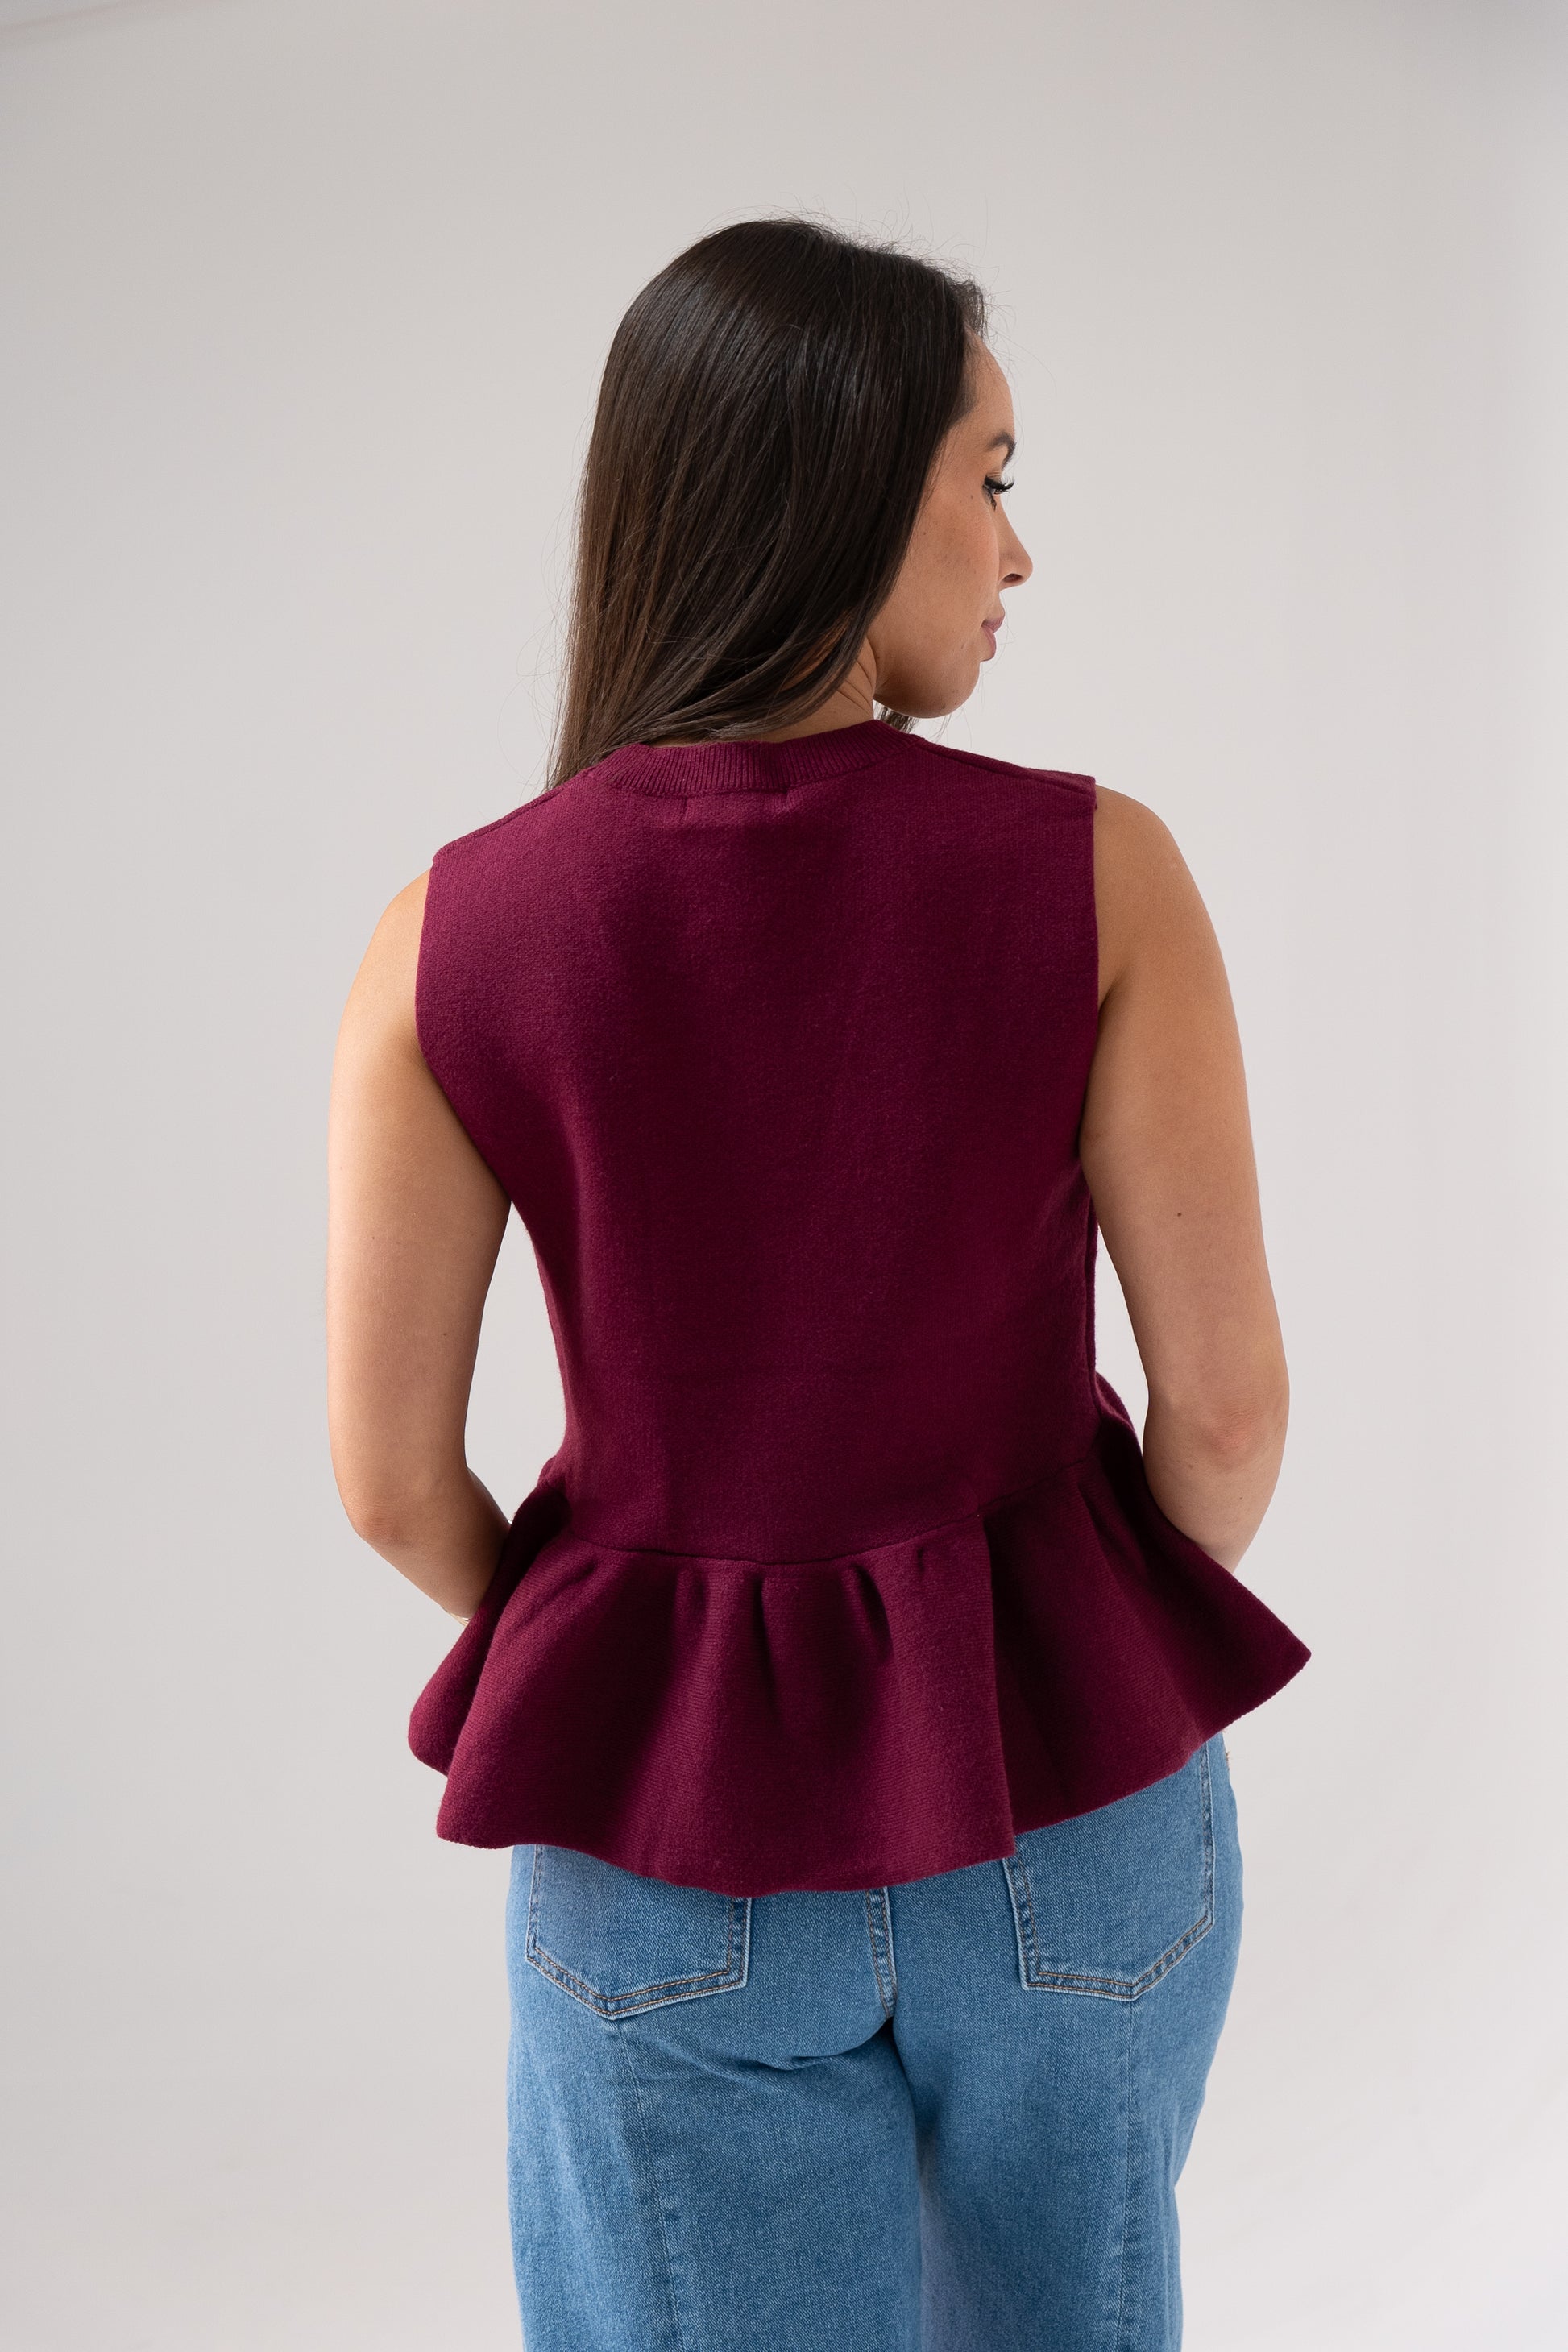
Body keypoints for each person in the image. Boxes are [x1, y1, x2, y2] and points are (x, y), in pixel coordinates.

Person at [326, 218, 1311, 2352]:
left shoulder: (445, 939)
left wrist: (649, 1672)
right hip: (1065, 1816)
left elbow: (392, 1484)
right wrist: (1086, 1655)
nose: (1017, 553)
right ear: (852, 488)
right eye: (992, 478)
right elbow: (1226, 1414)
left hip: (669, 1848)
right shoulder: (1099, 871)